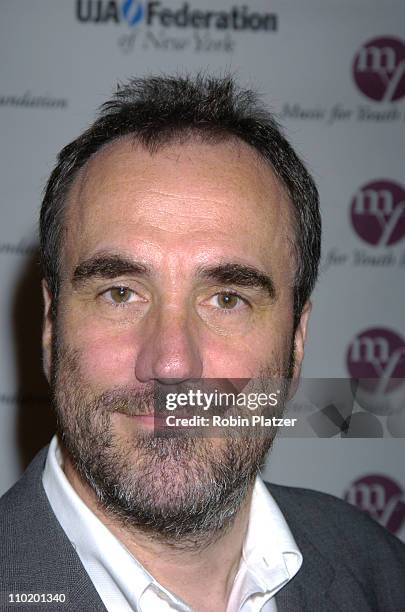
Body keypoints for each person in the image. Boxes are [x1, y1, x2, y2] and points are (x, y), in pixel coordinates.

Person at [1, 74, 404, 612]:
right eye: (121, 293)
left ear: (297, 339)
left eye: (228, 300)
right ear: (52, 323)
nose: (170, 363)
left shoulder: (380, 571)